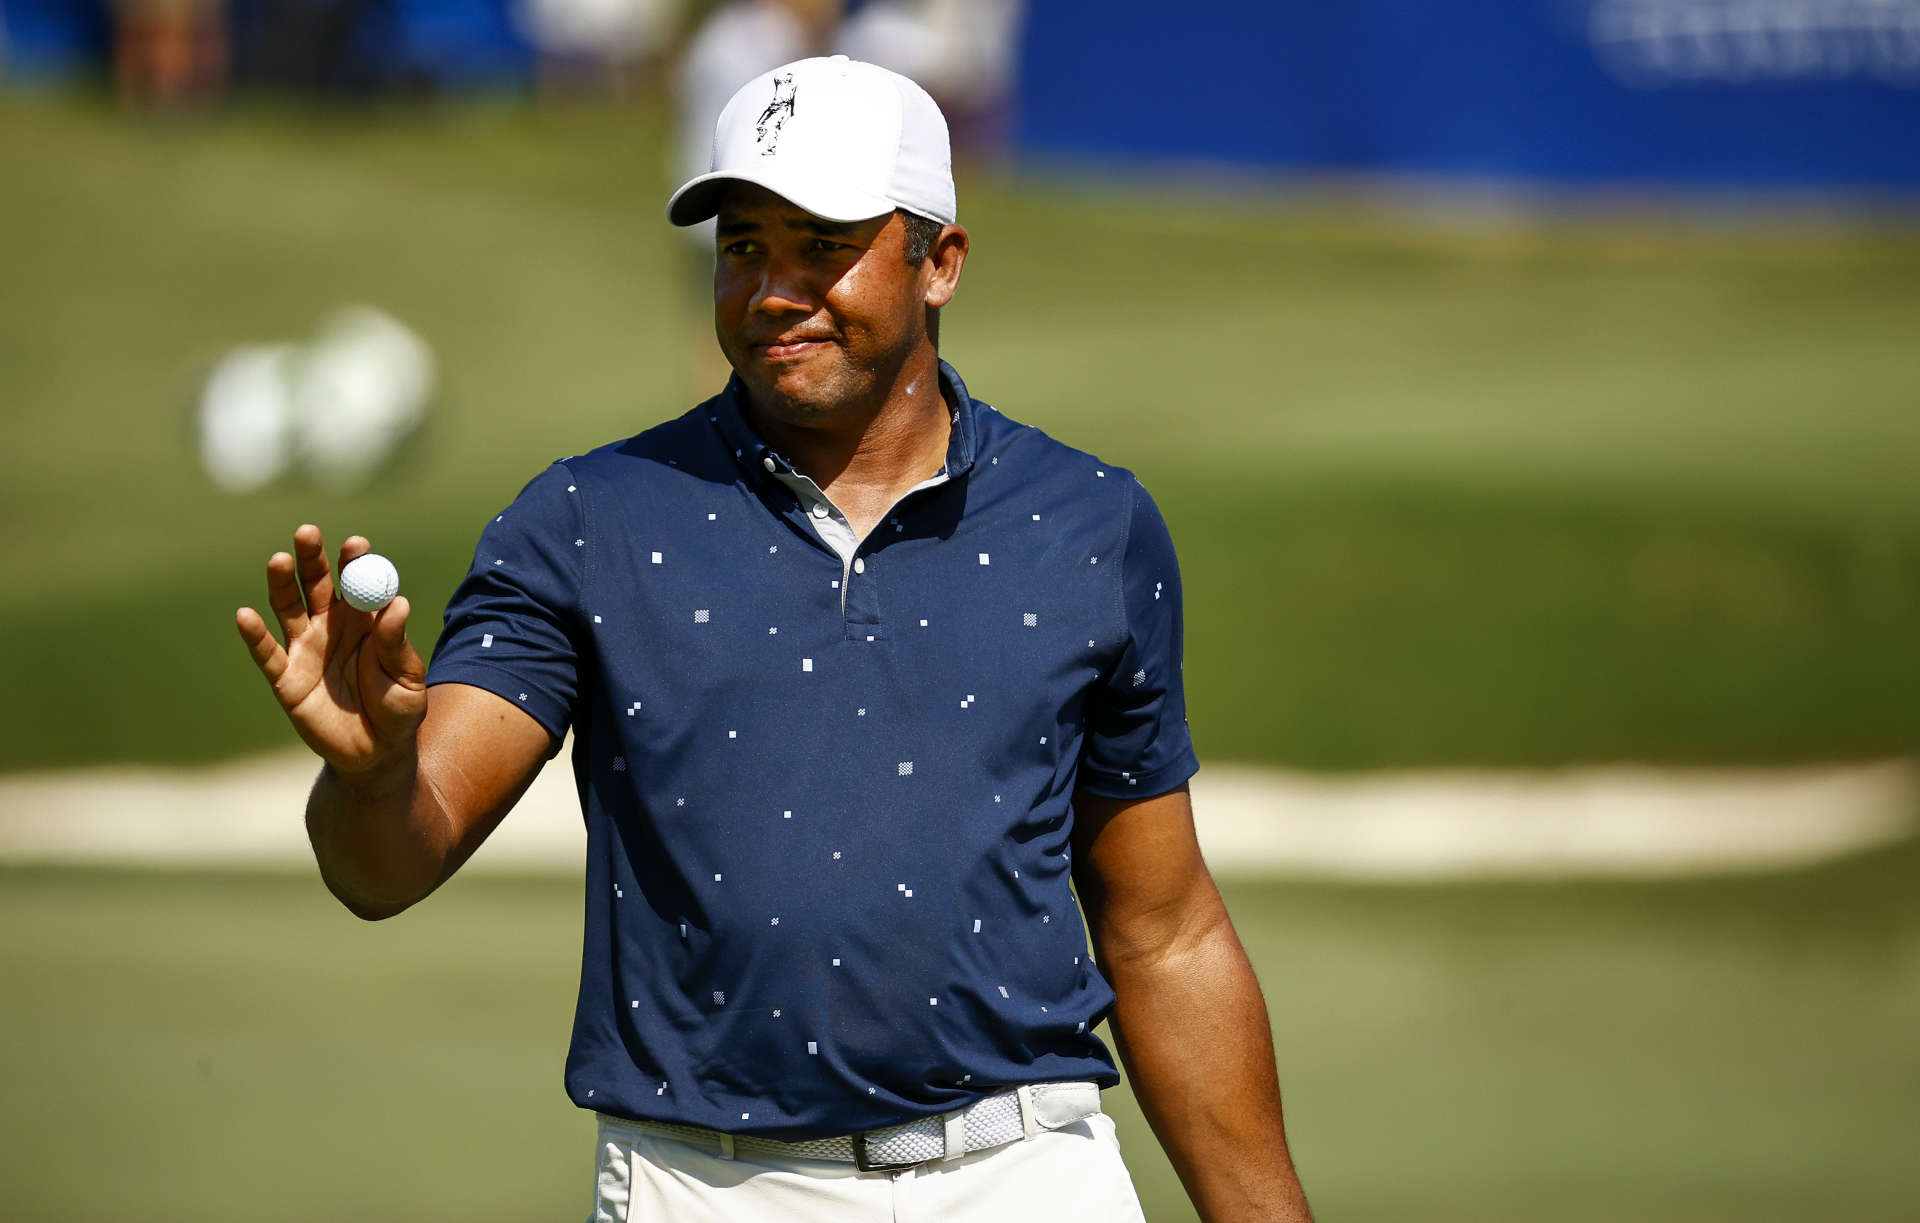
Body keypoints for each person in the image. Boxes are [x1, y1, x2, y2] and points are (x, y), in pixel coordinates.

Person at [235, 55, 1311, 1223]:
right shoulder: (590, 518)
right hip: (705, 1187)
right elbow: (386, 865)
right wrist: (373, 771)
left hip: (1027, 1172)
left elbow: (1163, 932)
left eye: (823, 244)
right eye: (744, 246)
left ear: (939, 259)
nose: (774, 289)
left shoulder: (1089, 524)